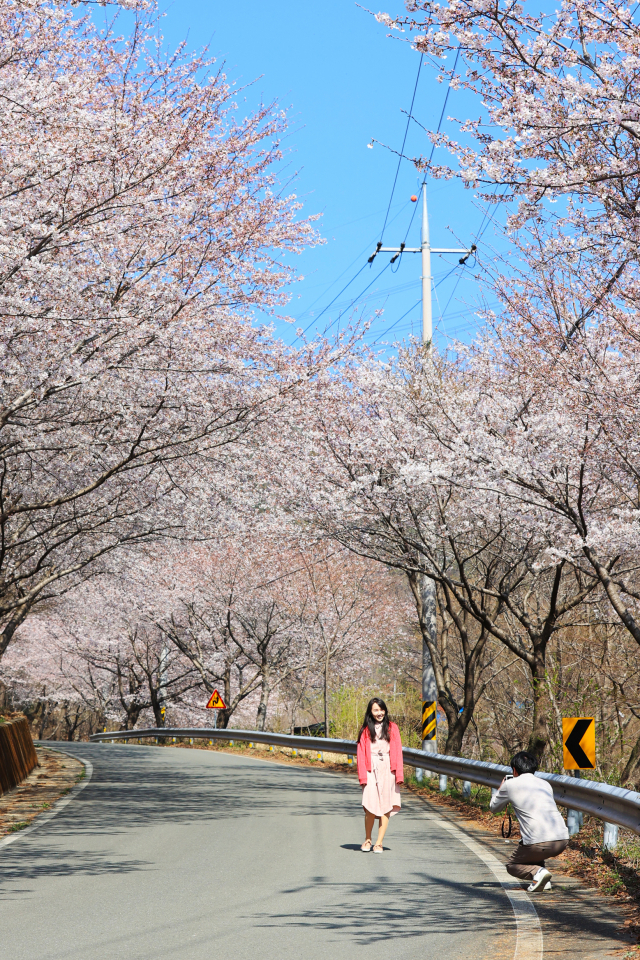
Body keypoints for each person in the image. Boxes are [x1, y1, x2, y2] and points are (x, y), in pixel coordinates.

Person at [490, 750, 569, 892]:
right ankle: (543, 880)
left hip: (537, 843)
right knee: (534, 850)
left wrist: (502, 787)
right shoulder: (545, 784)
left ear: (514, 770)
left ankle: (538, 873)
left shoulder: (510, 784)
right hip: (562, 840)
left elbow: (493, 808)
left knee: (512, 866)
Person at [356, 697, 403, 853]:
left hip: (388, 768)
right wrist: (362, 777)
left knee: (385, 807)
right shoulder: (364, 730)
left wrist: (399, 774)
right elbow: (361, 754)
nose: (379, 713)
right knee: (369, 805)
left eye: (381, 709)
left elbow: (397, 751)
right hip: (370, 769)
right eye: (376, 710)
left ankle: (379, 843)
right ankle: (367, 839)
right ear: (370, 711)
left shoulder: (392, 728)